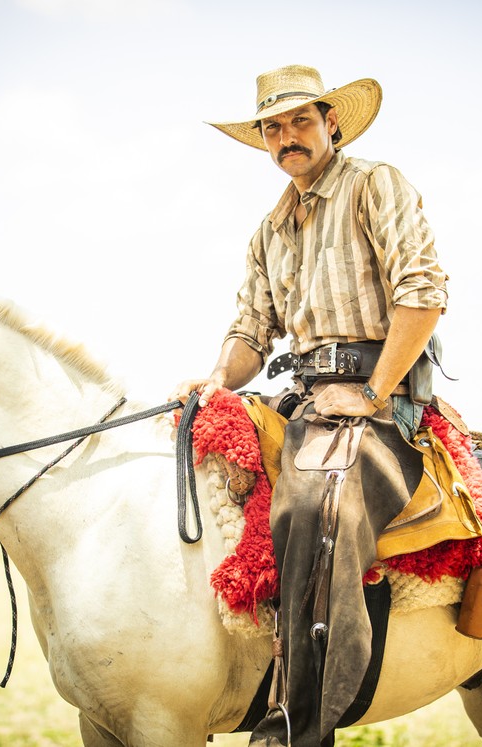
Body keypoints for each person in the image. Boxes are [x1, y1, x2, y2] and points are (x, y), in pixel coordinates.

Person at [171, 64, 449, 747]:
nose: (287, 136)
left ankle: (302, 718)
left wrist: (375, 391)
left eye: (301, 121)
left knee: (309, 505)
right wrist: (214, 377)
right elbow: (249, 334)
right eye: (273, 127)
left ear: (332, 122)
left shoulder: (374, 185)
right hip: (305, 394)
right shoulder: (269, 230)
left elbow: (424, 293)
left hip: (381, 394)